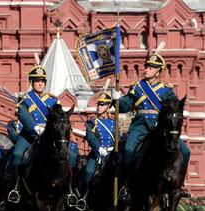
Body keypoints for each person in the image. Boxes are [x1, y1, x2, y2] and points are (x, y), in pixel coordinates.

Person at [111, 52, 190, 198]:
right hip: (140, 126)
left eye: (151, 67)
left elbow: (175, 109)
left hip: (160, 128)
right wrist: (116, 99)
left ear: (158, 72)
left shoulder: (166, 91)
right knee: (128, 149)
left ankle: (178, 185)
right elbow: (124, 107)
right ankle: (127, 186)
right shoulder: (137, 88)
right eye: (146, 66)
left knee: (185, 151)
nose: (146, 69)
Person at [12, 65, 58, 180]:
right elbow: (23, 115)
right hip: (29, 135)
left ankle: (69, 190)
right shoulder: (25, 100)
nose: (40, 84)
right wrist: (35, 127)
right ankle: (15, 187)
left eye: (42, 81)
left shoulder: (52, 101)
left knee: (68, 156)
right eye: (37, 81)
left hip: (47, 136)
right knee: (17, 154)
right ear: (32, 83)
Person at [81, 92, 115, 194]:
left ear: (108, 107)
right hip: (97, 154)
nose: (99, 106)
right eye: (98, 104)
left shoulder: (114, 122)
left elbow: (118, 138)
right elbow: (91, 138)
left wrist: (115, 148)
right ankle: (84, 199)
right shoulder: (91, 122)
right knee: (88, 172)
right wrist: (99, 148)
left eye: (102, 104)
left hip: (112, 154)